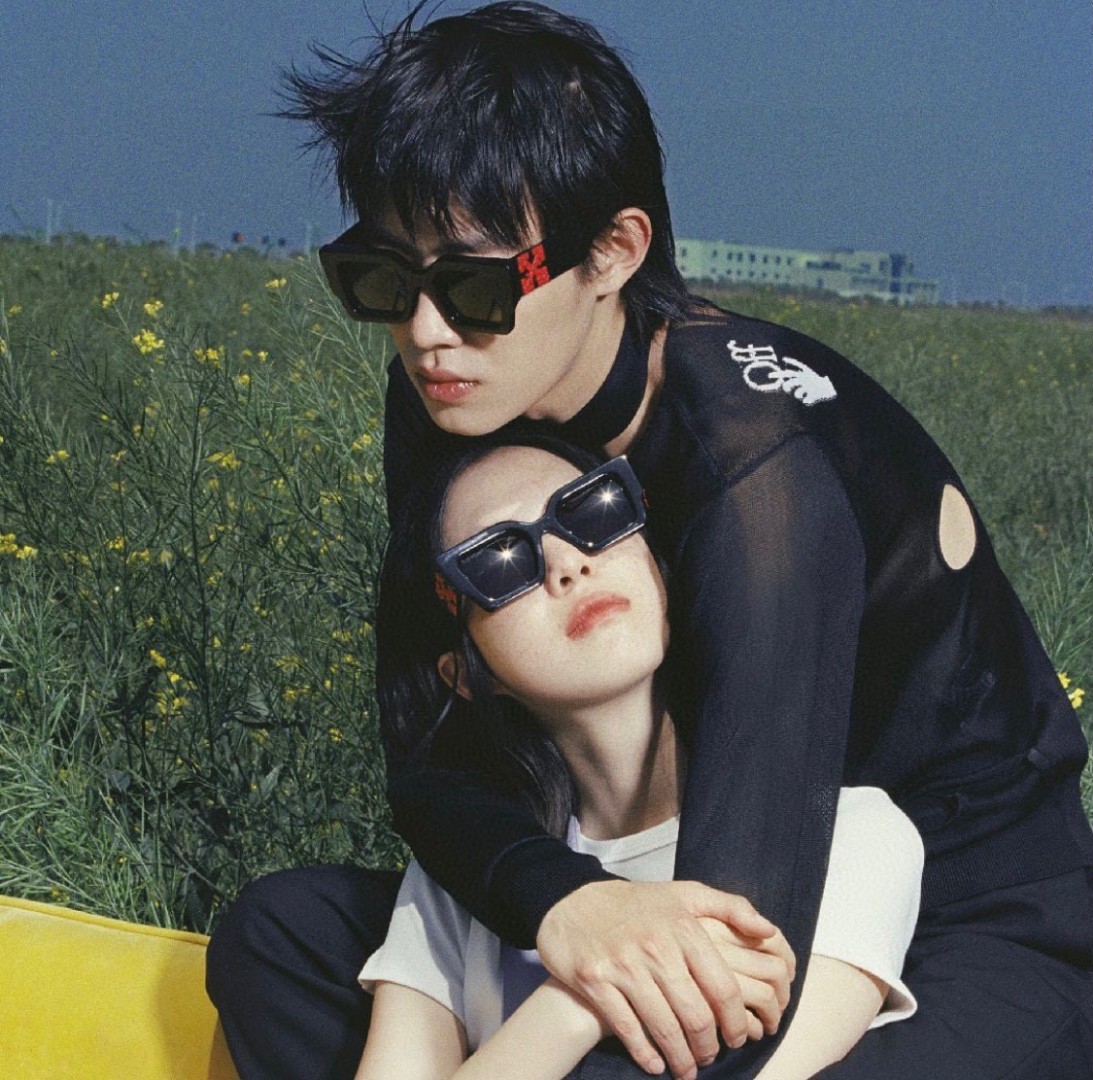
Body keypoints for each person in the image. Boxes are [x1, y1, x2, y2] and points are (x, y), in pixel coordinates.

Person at [206, 4, 1093, 1078]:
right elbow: (430, 737)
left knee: (662, 1054)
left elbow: (737, 948)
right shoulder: (457, 389)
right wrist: (567, 902)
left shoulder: (756, 468)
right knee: (280, 936)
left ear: (613, 252)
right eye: (383, 279)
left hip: (953, 912)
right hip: (659, 862)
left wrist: (574, 959)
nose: (426, 332)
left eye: (474, 286)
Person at [355, 437, 923, 1080]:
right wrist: (574, 1003)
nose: (568, 563)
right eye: (499, 560)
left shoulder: (851, 837)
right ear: (463, 672)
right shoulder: (459, 879)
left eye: (594, 510)